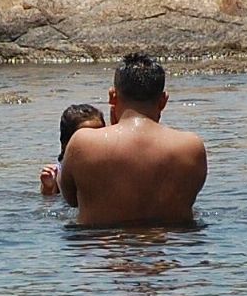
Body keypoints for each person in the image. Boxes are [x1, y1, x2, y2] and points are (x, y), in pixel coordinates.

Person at [57, 53, 207, 227]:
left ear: (112, 97)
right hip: (169, 249)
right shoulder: (191, 147)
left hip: (100, 247)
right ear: (163, 100)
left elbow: (71, 199)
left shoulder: (83, 143)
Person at [39, 103, 106, 194]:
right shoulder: (57, 174)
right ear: (65, 144)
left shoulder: (108, 167)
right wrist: (48, 189)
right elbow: (48, 203)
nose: (94, 143)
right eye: (85, 139)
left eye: (99, 136)